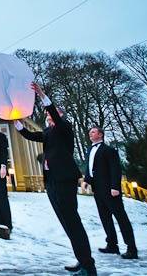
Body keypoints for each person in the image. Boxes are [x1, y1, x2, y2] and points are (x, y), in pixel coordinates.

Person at [16, 83, 96, 276]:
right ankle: (81, 259)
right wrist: (15, 121)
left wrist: (41, 94)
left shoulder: (64, 128)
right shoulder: (48, 133)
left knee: (72, 220)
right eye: (47, 115)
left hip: (64, 179)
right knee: (66, 222)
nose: (48, 116)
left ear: (59, 115)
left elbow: (53, 112)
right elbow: (29, 134)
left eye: (51, 114)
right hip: (51, 181)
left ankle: (88, 265)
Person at [84, 126, 138, 260]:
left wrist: (115, 187)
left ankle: (132, 248)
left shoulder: (109, 150)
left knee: (121, 218)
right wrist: (86, 180)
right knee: (105, 218)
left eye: (93, 132)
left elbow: (115, 169)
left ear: (101, 135)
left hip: (110, 190)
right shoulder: (90, 150)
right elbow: (90, 167)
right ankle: (112, 245)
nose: (90, 133)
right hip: (97, 190)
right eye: (90, 132)